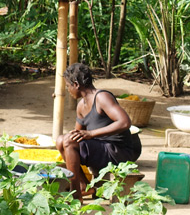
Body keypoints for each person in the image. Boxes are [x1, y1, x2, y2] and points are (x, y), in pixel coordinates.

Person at [56, 63, 142, 202]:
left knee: (67, 141)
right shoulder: (81, 106)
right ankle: (84, 185)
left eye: (68, 86)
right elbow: (76, 137)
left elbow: (125, 122)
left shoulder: (102, 97)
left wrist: (91, 134)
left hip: (118, 150)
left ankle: (75, 193)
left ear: (76, 84)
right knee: (62, 140)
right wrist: (78, 136)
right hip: (101, 149)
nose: (68, 90)